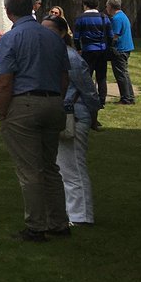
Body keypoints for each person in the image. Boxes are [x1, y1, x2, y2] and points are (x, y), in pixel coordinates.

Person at [0, 0, 70, 242]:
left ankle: (36, 227)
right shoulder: (53, 38)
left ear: (8, 12)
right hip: (54, 102)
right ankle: (59, 223)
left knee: (30, 170)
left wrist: (3, 112)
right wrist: (57, 99)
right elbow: (64, 76)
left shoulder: (11, 38)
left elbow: (5, 81)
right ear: (32, 8)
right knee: (50, 167)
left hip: (24, 104)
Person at [42, 14, 100, 226]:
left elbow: (89, 92)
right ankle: (71, 212)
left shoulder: (71, 58)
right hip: (61, 115)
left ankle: (81, 216)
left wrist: (92, 117)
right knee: (63, 167)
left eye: (49, 30)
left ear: (62, 33)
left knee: (74, 166)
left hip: (74, 116)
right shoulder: (53, 56)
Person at [73, 0, 113, 109]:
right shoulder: (104, 17)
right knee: (101, 76)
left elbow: (76, 37)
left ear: (85, 5)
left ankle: (88, 98)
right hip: (102, 49)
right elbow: (110, 35)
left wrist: (78, 48)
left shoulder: (81, 18)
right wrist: (108, 46)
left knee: (87, 76)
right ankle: (102, 100)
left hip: (88, 49)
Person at [106, 0, 137, 105]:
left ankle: (126, 98)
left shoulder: (117, 18)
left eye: (107, 6)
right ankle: (130, 97)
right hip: (126, 48)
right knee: (124, 73)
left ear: (111, 7)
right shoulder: (122, 15)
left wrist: (108, 46)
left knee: (120, 75)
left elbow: (115, 36)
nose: (106, 8)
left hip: (120, 49)